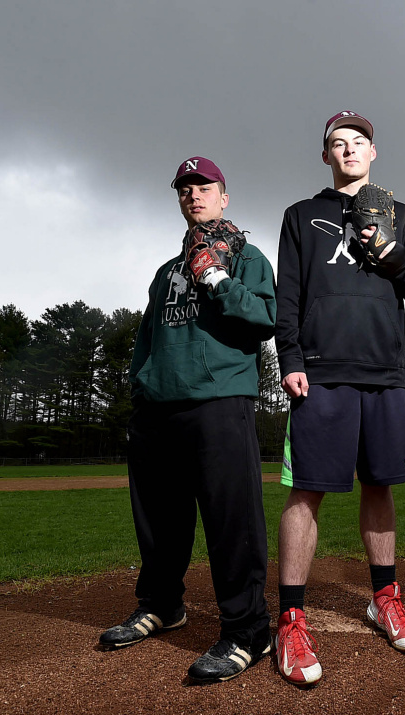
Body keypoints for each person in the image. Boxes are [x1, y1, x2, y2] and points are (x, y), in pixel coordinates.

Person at [98, 156, 277, 684]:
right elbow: (148, 338)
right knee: (159, 520)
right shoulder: (166, 271)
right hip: (158, 408)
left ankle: (248, 630)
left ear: (224, 196)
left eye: (204, 187)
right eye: (184, 189)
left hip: (217, 402)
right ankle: (162, 605)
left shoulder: (248, 258)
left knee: (231, 521)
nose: (193, 195)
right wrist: (141, 386)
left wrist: (217, 276)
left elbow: (265, 319)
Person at [273, 111, 405, 686]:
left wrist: (390, 251)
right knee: (306, 491)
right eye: (336, 144)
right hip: (320, 372)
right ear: (325, 156)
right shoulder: (301, 215)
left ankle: (384, 597)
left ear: (373, 151)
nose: (348, 151)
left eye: (357, 143)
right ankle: (290, 618)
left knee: (380, 484)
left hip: (385, 372)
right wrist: (288, 359)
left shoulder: (404, 214)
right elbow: (285, 295)